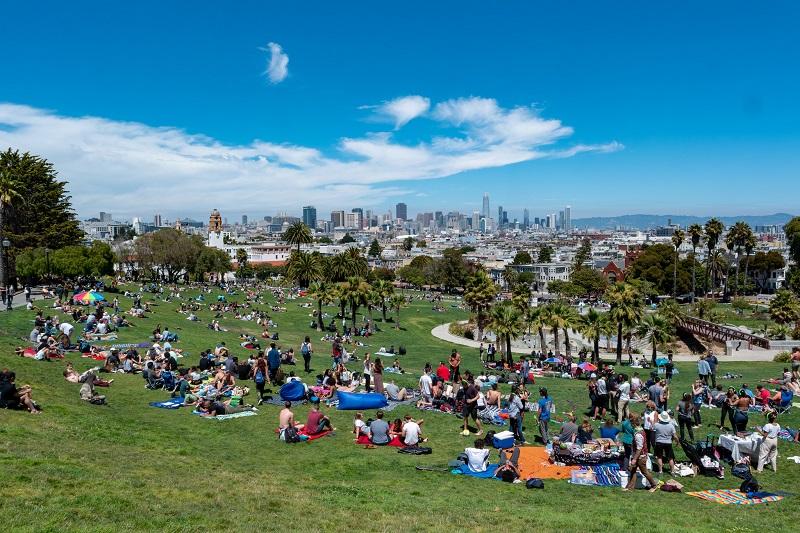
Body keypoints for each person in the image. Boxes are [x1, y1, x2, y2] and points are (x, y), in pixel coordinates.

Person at [623, 413, 661, 492]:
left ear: (633, 424)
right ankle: (630, 487)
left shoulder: (638, 435)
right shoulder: (641, 430)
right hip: (638, 455)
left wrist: (634, 459)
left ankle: (654, 485)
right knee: (633, 470)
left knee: (645, 472)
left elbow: (639, 448)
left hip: (640, 457)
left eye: (631, 424)